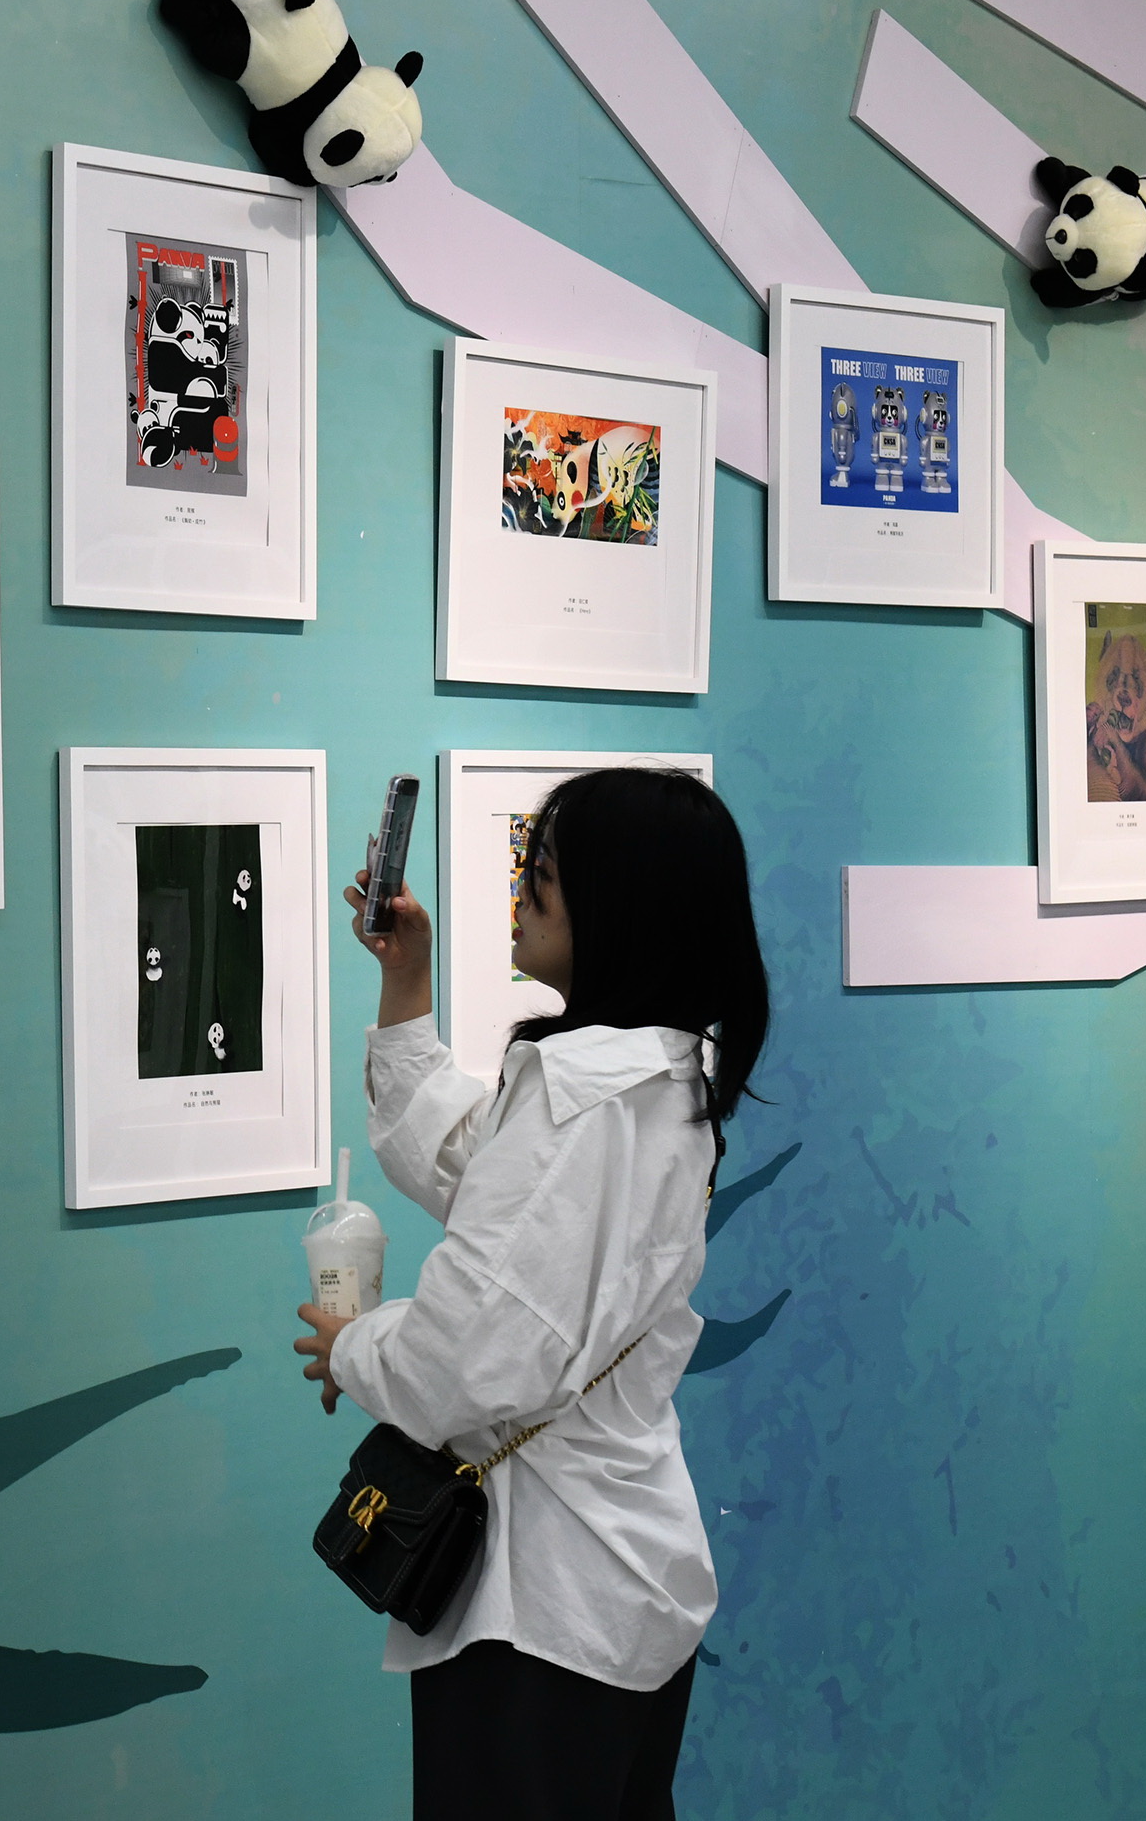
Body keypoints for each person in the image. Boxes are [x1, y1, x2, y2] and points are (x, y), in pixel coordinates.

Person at [293, 767, 768, 1820]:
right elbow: (474, 1161)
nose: (522, 891)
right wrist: (406, 979)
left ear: (620, 908)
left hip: (542, 1607)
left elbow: (468, 1354)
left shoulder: (582, 1102)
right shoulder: (659, 1083)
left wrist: (354, 1345)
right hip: (621, 1577)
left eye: (544, 873)